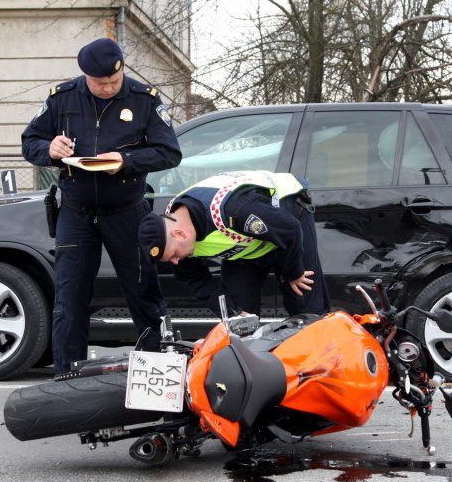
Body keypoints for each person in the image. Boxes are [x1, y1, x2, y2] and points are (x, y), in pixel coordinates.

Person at [22, 37, 181, 376]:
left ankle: (157, 379)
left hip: (128, 211)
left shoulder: (144, 100)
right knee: (70, 300)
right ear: (85, 77)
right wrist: (49, 148)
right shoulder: (61, 99)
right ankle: (67, 378)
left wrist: (126, 160)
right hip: (76, 213)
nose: (108, 87)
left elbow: (169, 151)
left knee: (144, 296)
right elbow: (29, 143)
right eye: (100, 82)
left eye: (114, 80)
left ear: (122, 69)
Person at [138, 170, 330, 318]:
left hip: (286, 216)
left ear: (179, 234)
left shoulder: (233, 209)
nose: (175, 261)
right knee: (240, 320)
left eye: (173, 254)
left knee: (305, 306)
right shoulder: (175, 233)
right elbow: (198, 282)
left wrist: (292, 273)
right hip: (247, 247)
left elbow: (291, 230)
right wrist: (233, 313)